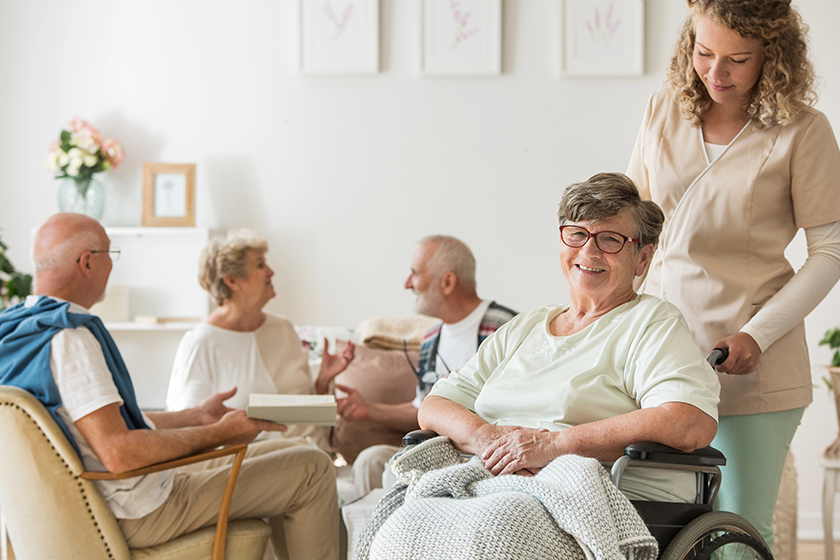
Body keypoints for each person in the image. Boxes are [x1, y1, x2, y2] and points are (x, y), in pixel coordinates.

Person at [626, 0, 840, 548]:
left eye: (738, 60)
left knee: (738, 531)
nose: (716, 74)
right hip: (665, 357)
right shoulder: (662, 110)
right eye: (704, 53)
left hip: (750, 361)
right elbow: (633, 225)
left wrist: (757, 334)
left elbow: (831, 251)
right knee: (662, 529)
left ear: (773, 57)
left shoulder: (803, 133)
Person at [0, 213, 338, 560]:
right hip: (139, 508)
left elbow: (99, 427)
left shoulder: (20, 332)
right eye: (110, 256)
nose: (113, 267)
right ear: (87, 263)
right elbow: (119, 452)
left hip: (113, 497)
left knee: (288, 452)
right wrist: (218, 433)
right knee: (311, 467)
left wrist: (198, 416)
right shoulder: (69, 339)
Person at [419, 173, 721, 503]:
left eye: (610, 240)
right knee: (405, 522)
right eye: (577, 234)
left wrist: (552, 446)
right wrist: (487, 438)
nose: (588, 251)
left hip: (591, 490)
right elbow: (436, 405)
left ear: (643, 258)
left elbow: (688, 421)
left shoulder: (651, 323)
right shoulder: (525, 327)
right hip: (490, 480)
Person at [337, 234, 517, 497]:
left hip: (485, 451)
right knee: (371, 459)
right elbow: (423, 409)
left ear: (447, 282)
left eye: (415, 274)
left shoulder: (505, 327)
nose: (407, 283)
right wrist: (368, 410)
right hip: (436, 450)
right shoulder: (431, 339)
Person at [165, 228, 355, 453]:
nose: (271, 271)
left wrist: (322, 381)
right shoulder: (201, 343)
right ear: (233, 281)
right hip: (253, 465)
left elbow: (301, 412)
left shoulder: (283, 329)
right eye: (260, 265)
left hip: (312, 457)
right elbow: (189, 426)